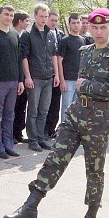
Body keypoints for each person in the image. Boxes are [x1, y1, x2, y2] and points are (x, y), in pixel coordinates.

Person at [3, 7, 109, 218]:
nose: (99, 32)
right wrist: (83, 89)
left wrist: (86, 85)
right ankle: (31, 205)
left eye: (103, 27)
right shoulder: (85, 51)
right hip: (75, 116)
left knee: (94, 171)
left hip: (98, 123)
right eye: (95, 27)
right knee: (55, 159)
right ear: (88, 27)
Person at [0, 4, 24, 159]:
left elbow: (18, 59)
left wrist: (20, 80)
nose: (9, 17)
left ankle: (8, 144)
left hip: (13, 82)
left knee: (9, 115)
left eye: (11, 15)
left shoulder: (15, 34)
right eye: (6, 14)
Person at [20, 4, 59, 152]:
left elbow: (53, 55)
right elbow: (24, 57)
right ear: (35, 16)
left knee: (44, 110)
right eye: (41, 16)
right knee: (33, 111)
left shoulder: (51, 34)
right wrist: (27, 76)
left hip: (48, 77)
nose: (44, 19)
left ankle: (41, 138)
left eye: (46, 16)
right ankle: (33, 139)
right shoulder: (27, 35)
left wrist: (56, 74)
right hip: (35, 78)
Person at [57, 13, 85, 122]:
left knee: (76, 109)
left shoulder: (83, 40)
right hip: (68, 80)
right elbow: (59, 61)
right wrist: (62, 81)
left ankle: (73, 132)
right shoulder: (65, 40)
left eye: (78, 22)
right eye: (73, 23)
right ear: (69, 24)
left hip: (79, 80)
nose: (76, 25)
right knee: (66, 108)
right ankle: (64, 132)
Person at [45, 10, 65, 139]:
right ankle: (44, 130)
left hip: (57, 74)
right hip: (45, 73)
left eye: (56, 20)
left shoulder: (61, 35)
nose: (54, 23)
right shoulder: (43, 33)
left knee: (55, 104)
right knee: (45, 104)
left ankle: (51, 129)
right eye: (51, 20)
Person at [12, 10, 30, 144]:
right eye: (27, 21)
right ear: (20, 21)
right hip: (12, 77)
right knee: (11, 107)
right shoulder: (12, 35)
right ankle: (11, 133)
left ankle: (18, 132)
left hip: (23, 78)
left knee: (21, 106)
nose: (28, 24)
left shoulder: (25, 35)